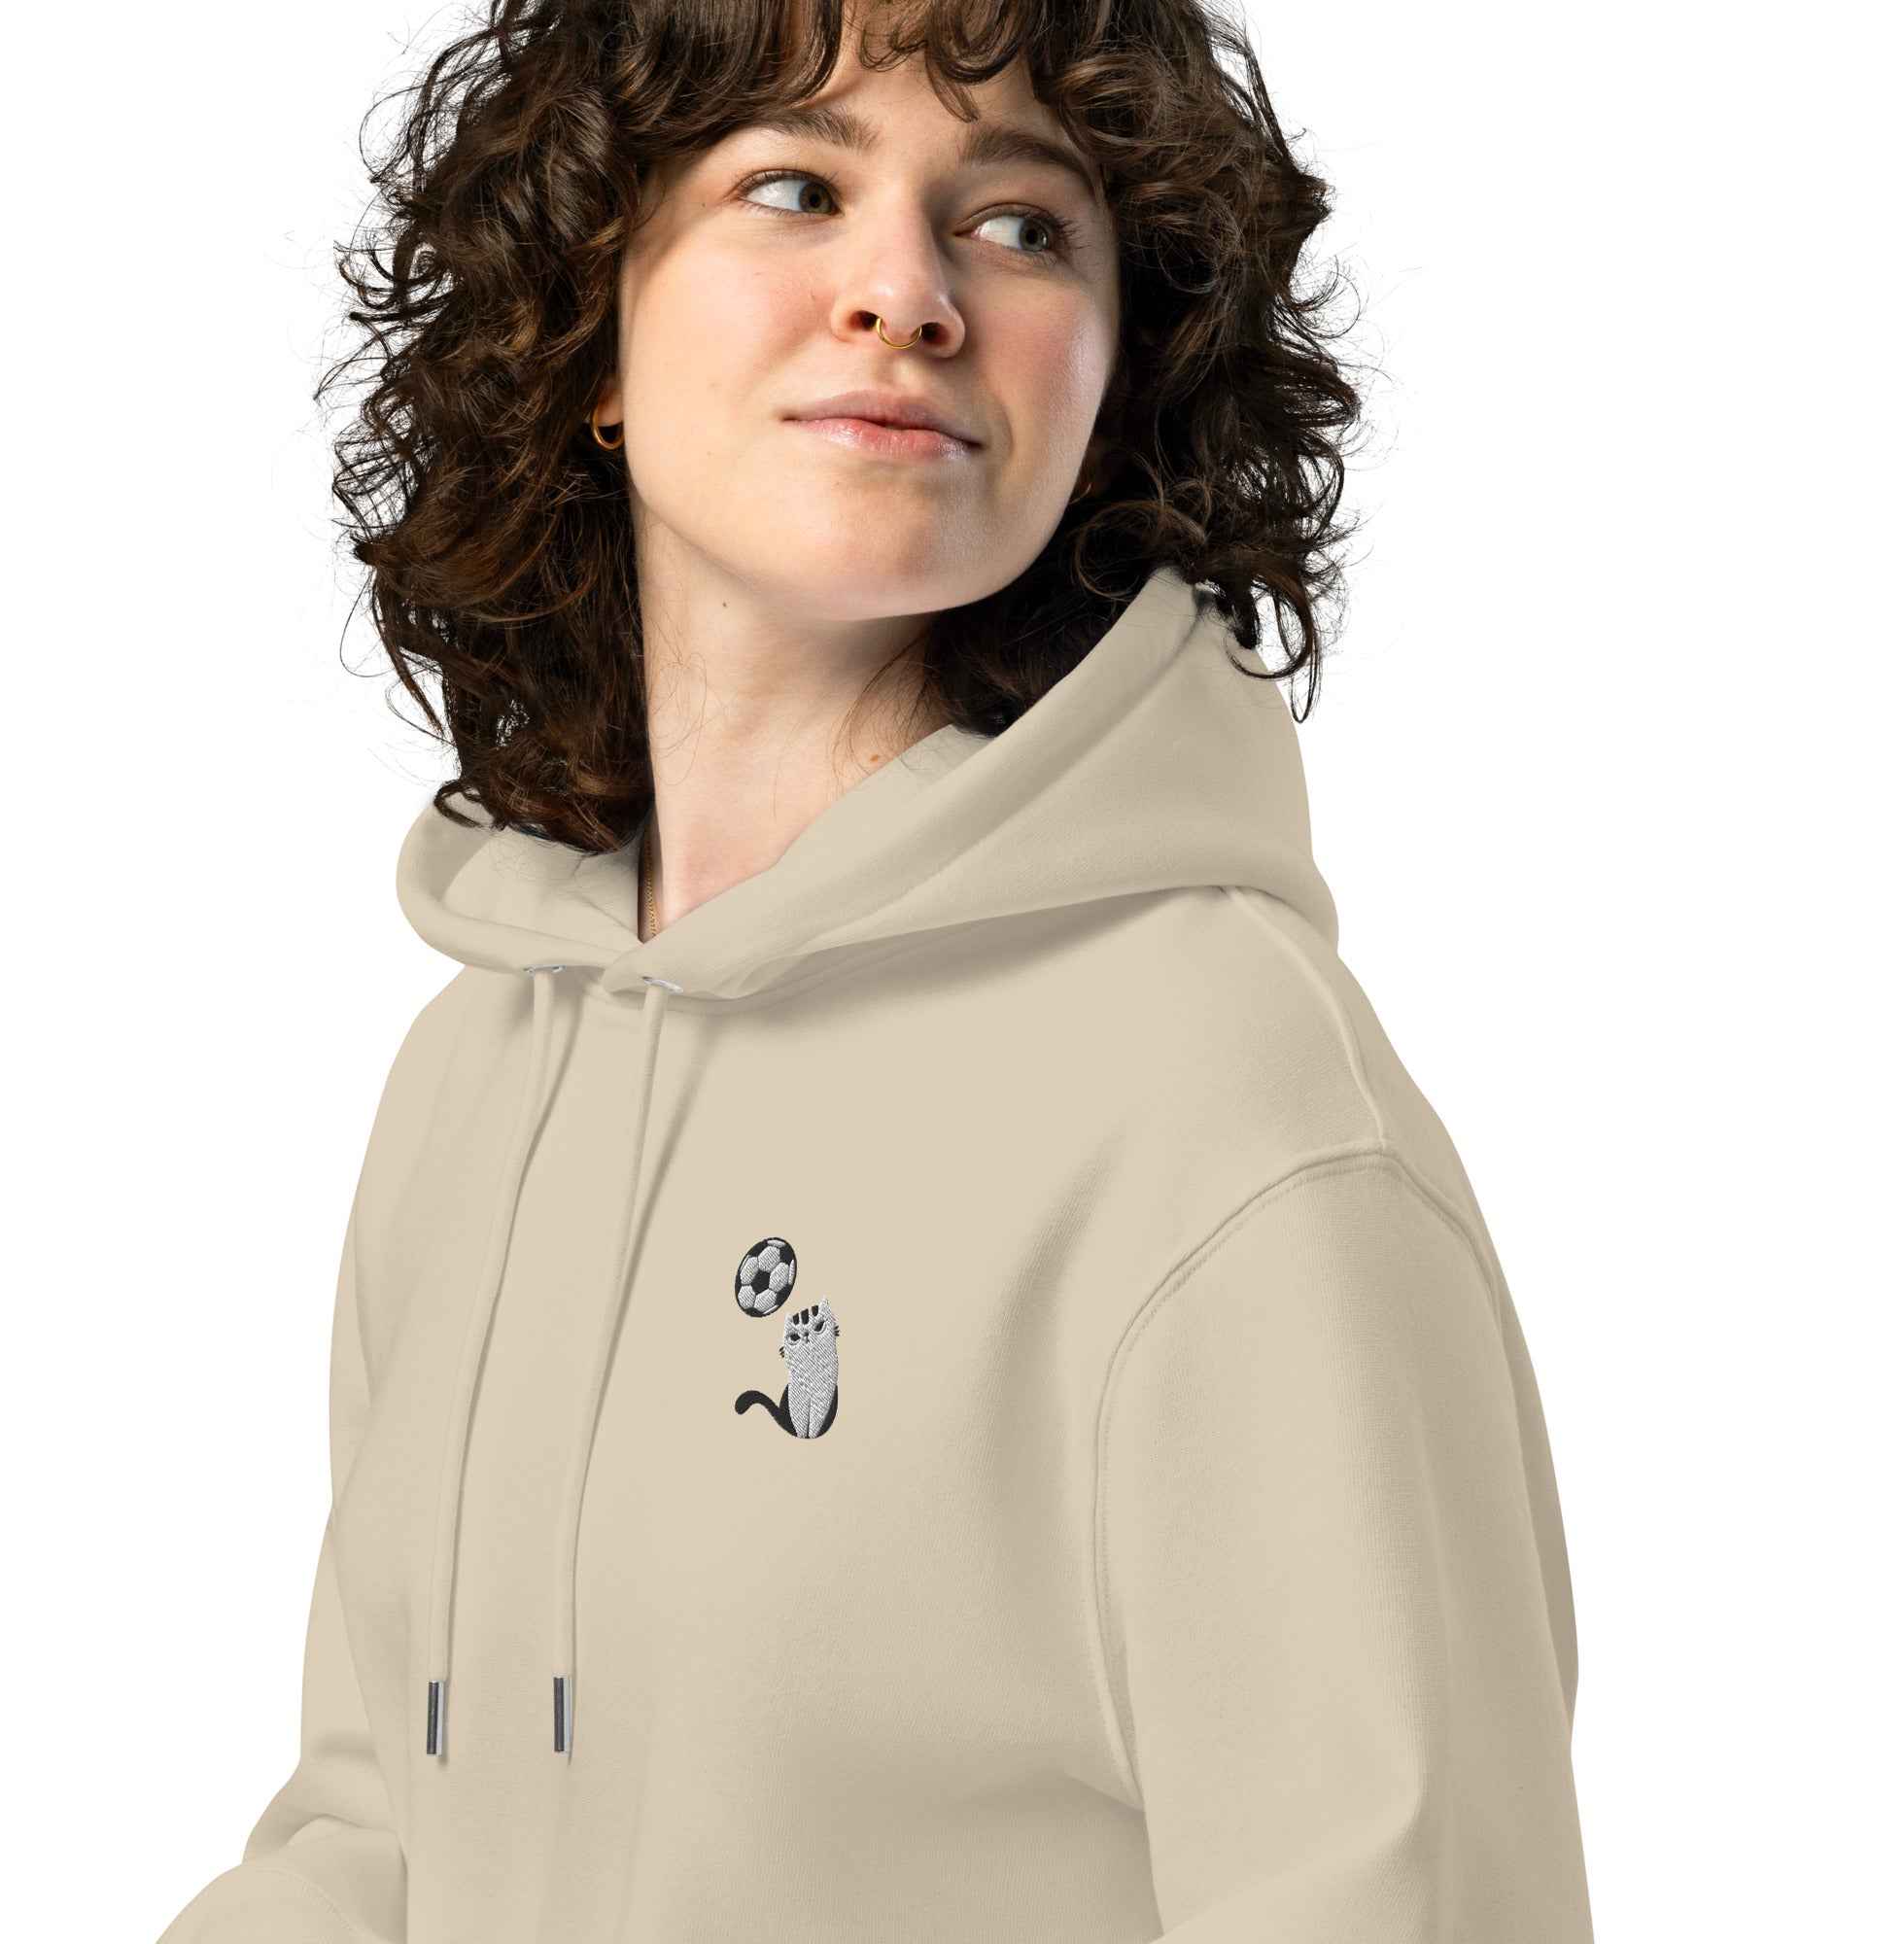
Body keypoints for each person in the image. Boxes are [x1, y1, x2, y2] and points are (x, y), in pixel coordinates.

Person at [156, 1, 1595, 1938]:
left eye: (1019, 225)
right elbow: (374, 1835)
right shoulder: (479, 1068)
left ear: (1113, 380)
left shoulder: (1221, 1105)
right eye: (794, 186)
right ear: (588, 324)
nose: (907, 293)